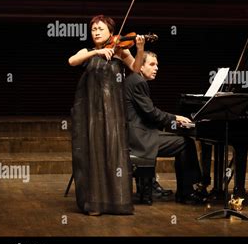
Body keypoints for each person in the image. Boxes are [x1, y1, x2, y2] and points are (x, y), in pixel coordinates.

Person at [69, 15, 145, 215]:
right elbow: (72, 61)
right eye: (93, 29)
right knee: (94, 152)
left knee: (113, 151)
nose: (96, 32)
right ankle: (95, 202)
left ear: (111, 33)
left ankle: (116, 202)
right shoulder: (88, 52)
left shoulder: (120, 50)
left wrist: (140, 49)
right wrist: (98, 51)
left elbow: (137, 70)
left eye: (100, 29)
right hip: (91, 113)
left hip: (113, 112)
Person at [125, 51, 206, 205]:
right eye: (152, 64)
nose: (156, 68)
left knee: (183, 141)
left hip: (136, 133)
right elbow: (152, 113)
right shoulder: (138, 82)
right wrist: (175, 118)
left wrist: (170, 121)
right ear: (140, 67)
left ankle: (186, 191)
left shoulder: (133, 80)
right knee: (185, 143)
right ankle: (186, 192)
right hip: (138, 139)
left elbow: (150, 113)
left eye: (157, 65)